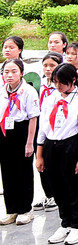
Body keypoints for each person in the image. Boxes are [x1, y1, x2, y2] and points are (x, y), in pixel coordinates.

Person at [35, 62, 78, 245]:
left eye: (62, 82)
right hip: (52, 145)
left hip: (72, 145)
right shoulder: (50, 98)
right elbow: (43, 128)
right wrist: (40, 154)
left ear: (73, 80)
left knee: (74, 187)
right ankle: (65, 222)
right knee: (57, 186)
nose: (58, 86)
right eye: (55, 82)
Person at [0, 56, 40, 225]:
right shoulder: (2, 89)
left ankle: (25, 209)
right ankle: (12, 209)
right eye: (6, 71)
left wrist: (30, 142)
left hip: (22, 130)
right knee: (7, 171)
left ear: (22, 73)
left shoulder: (28, 91)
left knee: (23, 170)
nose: (10, 75)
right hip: (4, 130)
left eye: (14, 71)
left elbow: (33, 117)